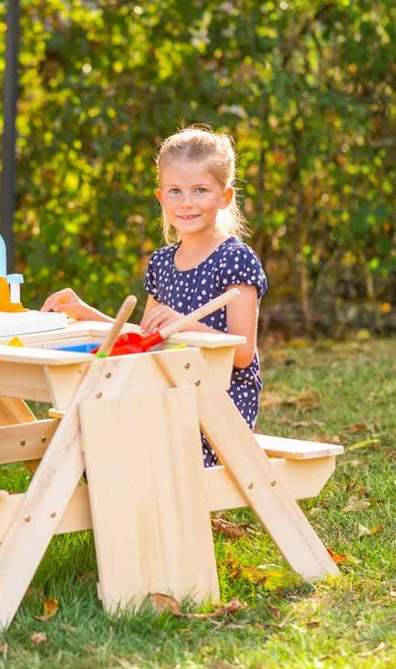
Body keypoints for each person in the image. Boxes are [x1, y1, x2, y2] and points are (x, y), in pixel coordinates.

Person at [42, 126, 268, 466]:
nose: (187, 202)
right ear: (161, 197)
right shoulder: (162, 262)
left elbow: (242, 353)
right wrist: (87, 313)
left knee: (110, 442)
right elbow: (147, 339)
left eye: (201, 190)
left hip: (217, 409)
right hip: (164, 391)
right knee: (85, 432)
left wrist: (183, 326)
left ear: (224, 197)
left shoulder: (235, 259)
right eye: (175, 191)